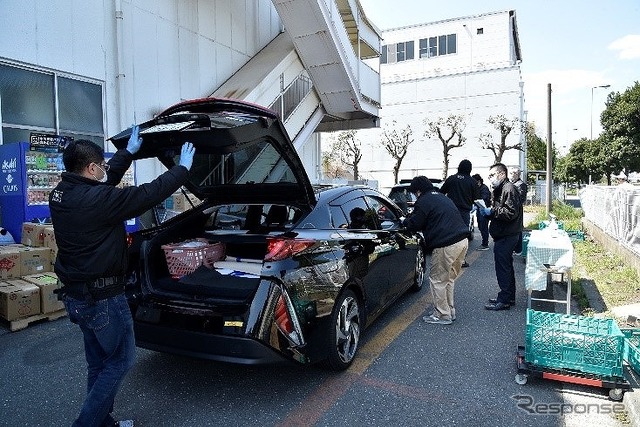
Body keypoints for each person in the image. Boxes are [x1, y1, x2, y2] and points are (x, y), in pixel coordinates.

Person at [49, 126, 196, 427]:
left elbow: (104, 187)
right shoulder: (97, 200)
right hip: (103, 299)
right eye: (100, 166)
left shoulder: (61, 193)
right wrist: (181, 170)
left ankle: (103, 422)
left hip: (78, 297)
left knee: (99, 363)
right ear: (90, 168)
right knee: (120, 361)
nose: (105, 170)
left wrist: (126, 153)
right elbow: (147, 194)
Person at [403, 176, 469, 325]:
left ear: (418, 191)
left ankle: (441, 315)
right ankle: (449, 310)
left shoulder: (423, 201)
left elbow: (415, 223)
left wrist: (405, 221)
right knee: (449, 279)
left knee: (437, 280)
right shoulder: (441, 197)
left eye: (414, 193)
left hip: (446, 244)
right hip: (462, 242)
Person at [479, 163, 523, 310]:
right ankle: (507, 296)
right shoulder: (502, 188)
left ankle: (504, 299)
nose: (490, 178)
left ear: (502, 174)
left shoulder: (508, 188)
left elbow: (510, 212)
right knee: (506, 267)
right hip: (505, 233)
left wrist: (491, 212)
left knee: (503, 268)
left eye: (492, 175)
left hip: (507, 234)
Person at [439, 160, 481, 267]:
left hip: (450, 212)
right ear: (470, 169)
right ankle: (461, 260)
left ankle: (448, 259)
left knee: (449, 235)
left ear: (459, 167)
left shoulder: (451, 179)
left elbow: (441, 193)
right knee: (462, 237)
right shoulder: (472, 182)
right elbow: (476, 199)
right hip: (464, 212)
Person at [508, 165, 528, 255]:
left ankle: (518, 249)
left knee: (518, 229)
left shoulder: (521, 184)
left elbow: (522, 199)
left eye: (514, 173)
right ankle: (514, 248)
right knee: (512, 229)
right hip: (511, 209)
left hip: (517, 210)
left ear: (518, 174)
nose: (512, 175)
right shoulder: (512, 183)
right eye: (511, 173)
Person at [472, 174, 491, 250]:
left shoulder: (484, 188)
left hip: (484, 210)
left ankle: (485, 244)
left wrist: (476, 205)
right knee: (481, 226)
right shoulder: (479, 188)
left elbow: (484, 198)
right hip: (479, 210)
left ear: (478, 181)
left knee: (483, 227)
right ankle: (484, 243)